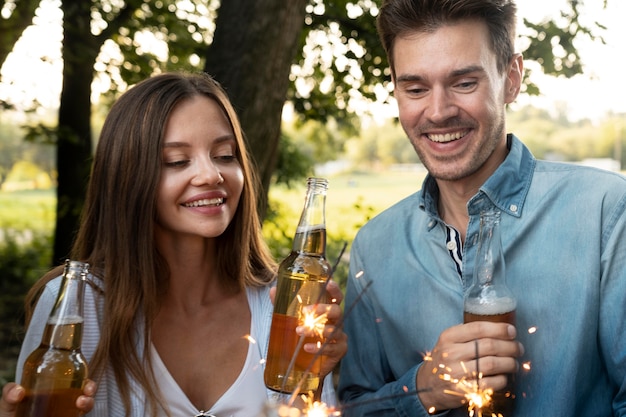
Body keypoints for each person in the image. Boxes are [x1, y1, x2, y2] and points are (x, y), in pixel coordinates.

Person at [337, 0, 626, 416]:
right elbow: (355, 407)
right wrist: (424, 390)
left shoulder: (606, 212)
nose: (437, 112)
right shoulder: (374, 245)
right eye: (415, 88)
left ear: (511, 78)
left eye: (464, 83)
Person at [0, 72, 346, 417]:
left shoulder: (282, 304)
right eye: (177, 161)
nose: (211, 175)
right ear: (128, 178)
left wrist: (313, 387)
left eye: (225, 155)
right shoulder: (78, 306)